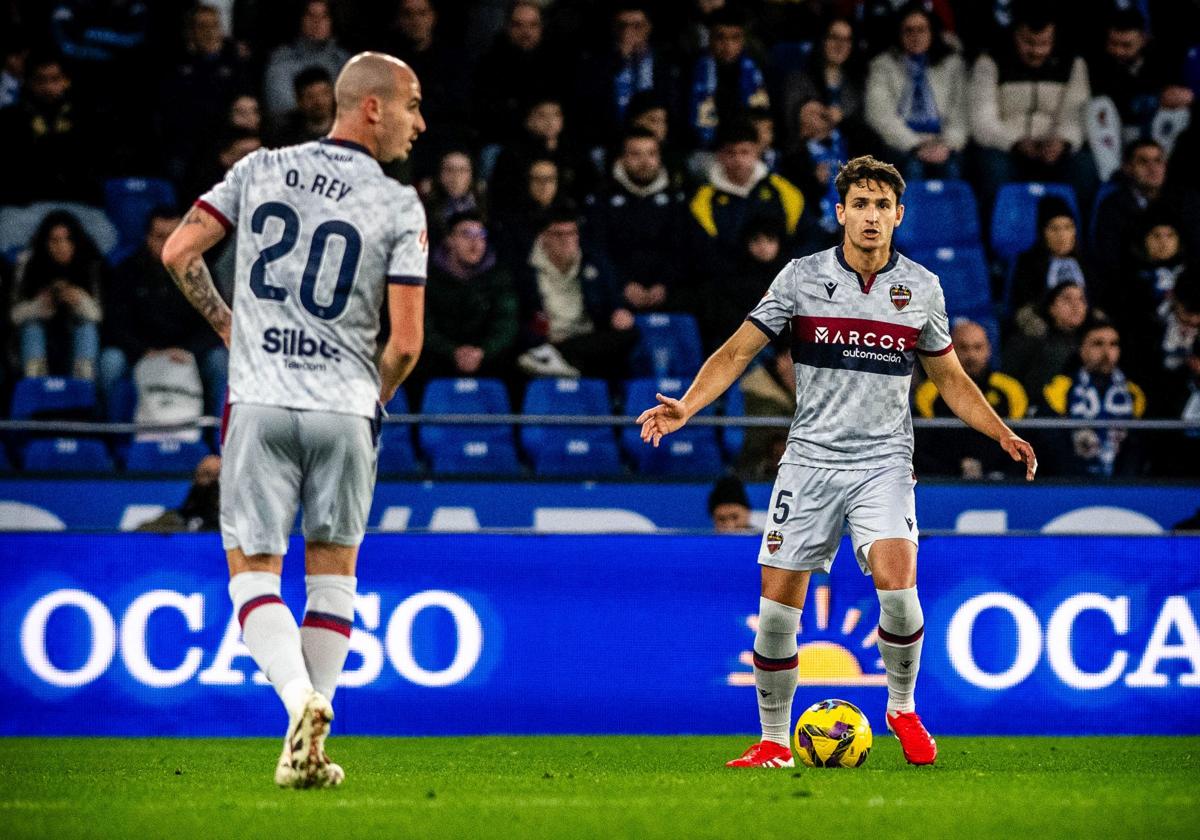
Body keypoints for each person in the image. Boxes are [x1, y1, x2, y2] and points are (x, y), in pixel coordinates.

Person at [636, 155, 1037, 769]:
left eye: (883, 205)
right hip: (808, 462)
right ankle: (773, 744)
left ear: (899, 215)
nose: (871, 216)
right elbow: (739, 349)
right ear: (840, 212)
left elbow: (951, 379)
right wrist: (688, 405)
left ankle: (901, 708)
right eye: (861, 204)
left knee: (900, 598)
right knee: (775, 612)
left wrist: (1000, 432)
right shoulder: (801, 278)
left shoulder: (922, 287)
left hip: (883, 462)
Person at [161, 52, 427, 789]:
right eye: (411, 103)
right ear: (371, 107)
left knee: (252, 572)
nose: (420, 122)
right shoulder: (401, 206)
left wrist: (226, 325)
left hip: (260, 399)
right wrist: (370, 400)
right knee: (333, 572)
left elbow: (180, 250)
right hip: (345, 406)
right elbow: (406, 343)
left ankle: (296, 700)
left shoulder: (259, 169)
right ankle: (310, 730)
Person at [99, 208, 228, 418]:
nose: (168, 243)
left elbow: (216, 322)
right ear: (147, 238)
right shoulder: (126, 271)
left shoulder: (199, 271)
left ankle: (212, 433)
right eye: (160, 237)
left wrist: (188, 350)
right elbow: (115, 324)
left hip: (186, 351)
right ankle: (113, 436)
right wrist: (144, 351)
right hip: (140, 350)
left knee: (219, 361)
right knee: (110, 362)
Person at [968, 6, 1095, 217]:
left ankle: (1074, 240)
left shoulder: (1072, 63)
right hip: (1006, 147)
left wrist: (1062, 142)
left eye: (1044, 43)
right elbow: (982, 122)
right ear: (1015, 35)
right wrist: (1016, 143)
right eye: (1028, 43)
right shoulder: (990, 62)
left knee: (1084, 167)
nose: (1036, 51)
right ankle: (997, 240)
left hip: (1054, 149)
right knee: (993, 168)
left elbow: (1076, 115)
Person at [516, 207, 637, 380]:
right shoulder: (526, 269)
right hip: (548, 339)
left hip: (586, 339)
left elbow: (612, 301)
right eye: (558, 234)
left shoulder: (593, 261)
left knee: (630, 333)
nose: (566, 240)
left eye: (572, 233)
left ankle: (561, 361)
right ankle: (561, 362)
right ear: (543, 237)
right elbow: (520, 315)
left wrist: (618, 311)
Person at [586, 128, 686, 313]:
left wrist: (664, 284)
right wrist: (623, 284)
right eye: (636, 154)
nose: (645, 162)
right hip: (616, 295)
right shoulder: (603, 197)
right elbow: (597, 248)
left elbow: (681, 247)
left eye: (651, 154)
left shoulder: (675, 198)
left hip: (667, 292)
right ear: (622, 157)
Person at [865, 2, 969, 181]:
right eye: (909, 30)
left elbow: (961, 114)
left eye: (922, 30)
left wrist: (947, 145)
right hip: (901, 142)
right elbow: (879, 115)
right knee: (913, 168)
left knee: (950, 168)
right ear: (899, 33)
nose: (916, 36)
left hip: (942, 142)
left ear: (932, 32)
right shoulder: (882, 65)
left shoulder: (952, 64)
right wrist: (915, 145)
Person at [914, 319, 1028, 478]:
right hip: (945, 478)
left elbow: (1021, 438)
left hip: (999, 478)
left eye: (978, 347)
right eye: (963, 348)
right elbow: (924, 444)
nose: (971, 355)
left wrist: (988, 467)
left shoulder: (1010, 389)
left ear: (989, 350)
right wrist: (956, 465)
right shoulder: (930, 391)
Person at [1040, 317, 1146, 477]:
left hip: (1122, 484)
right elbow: (1050, 441)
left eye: (1113, 344)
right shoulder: (1060, 387)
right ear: (1082, 349)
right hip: (1071, 482)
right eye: (1098, 344)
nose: (1106, 352)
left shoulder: (1133, 393)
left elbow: (1137, 444)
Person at [419, 211, 518, 379]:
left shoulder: (499, 277)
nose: (475, 242)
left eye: (480, 235)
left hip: (487, 359)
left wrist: (483, 351)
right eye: (466, 234)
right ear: (449, 240)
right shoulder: (428, 278)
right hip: (438, 359)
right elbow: (423, 326)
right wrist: (452, 351)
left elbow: (506, 324)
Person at [10, 210, 104, 379]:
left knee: (86, 328)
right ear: (45, 243)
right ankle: (38, 392)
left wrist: (80, 301)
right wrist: (39, 306)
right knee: (32, 329)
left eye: (68, 240)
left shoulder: (92, 264)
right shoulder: (28, 263)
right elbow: (13, 316)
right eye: (55, 240)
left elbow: (101, 317)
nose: (61, 246)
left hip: (77, 343)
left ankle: (82, 393)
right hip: (39, 343)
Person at [262, 0, 351, 121]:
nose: (317, 22)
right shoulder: (282, 60)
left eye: (324, 16)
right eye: (310, 16)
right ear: (300, 19)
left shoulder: (344, 60)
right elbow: (282, 110)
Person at [1004, 280, 1092, 398]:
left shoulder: (1095, 341)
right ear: (1051, 307)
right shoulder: (1029, 342)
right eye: (1067, 299)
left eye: (1081, 299)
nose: (1076, 305)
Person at [1008, 195, 1095, 315]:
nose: (1062, 236)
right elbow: (1023, 305)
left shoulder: (1087, 261)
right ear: (1042, 233)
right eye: (1054, 229)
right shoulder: (1027, 263)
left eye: (1068, 227)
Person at [135, 454, 222, 532]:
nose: (207, 483)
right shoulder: (172, 520)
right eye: (204, 475)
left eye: (216, 477)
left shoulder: (231, 526)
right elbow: (138, 537)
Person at [270, 66, 335, 147]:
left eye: (325, 94)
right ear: (299, 101)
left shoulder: (349, 127)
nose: (319, 102)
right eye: (310, 96)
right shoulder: (287, 136)